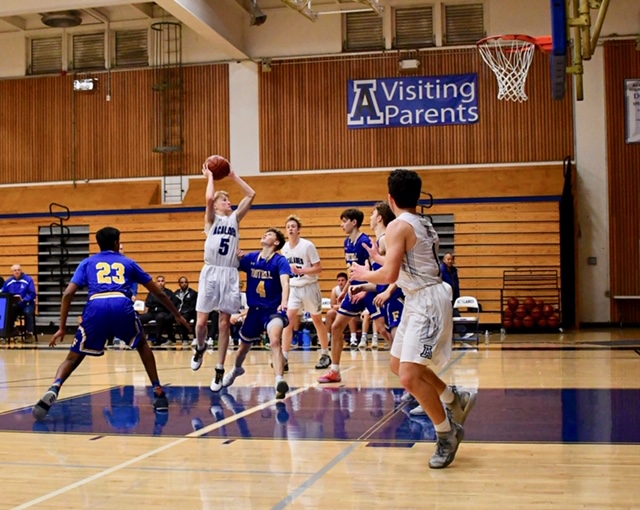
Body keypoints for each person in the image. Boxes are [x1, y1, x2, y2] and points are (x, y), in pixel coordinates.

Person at [350, 169, 476, 469]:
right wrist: (379, 259)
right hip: (419, 297)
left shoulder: (397, 226)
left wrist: (364, 273)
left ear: (389, 198)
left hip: (427, 301)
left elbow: (390, 275)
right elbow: (406, 263)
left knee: (409, 375)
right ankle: (451, 396)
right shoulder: (421, 221)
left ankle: (447, 433)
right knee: (398, 366)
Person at [32, 226, 190, 421]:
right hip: (120, 303)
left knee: (74, 356)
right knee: (141, 345)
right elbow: (158, 292)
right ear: (116, 243)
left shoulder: (88, 262)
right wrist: (177, 315)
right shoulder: (128, 262)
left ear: (98, 244)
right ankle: (158, 392)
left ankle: (55, 386)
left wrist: (62, 327)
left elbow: (67, 294)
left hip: (96, 305)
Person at [191, 157, 256, 393]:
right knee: (200, 323)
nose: (229, 202)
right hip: (210, 272)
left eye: (228, 200)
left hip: (229, 274)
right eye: (225, 200)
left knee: (224, 324)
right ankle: (199, 346)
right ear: (217, 206)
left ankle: (219, 368)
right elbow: (208, 198)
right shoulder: (211, 219)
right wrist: (210, 176)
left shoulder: (235, 219)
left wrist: (233, 176)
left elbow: (251, 194)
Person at [221, 228, 292, 399]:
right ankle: (236, 369)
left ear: (276, 243)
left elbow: (285, 283)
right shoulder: (251, 258)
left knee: (274, 341)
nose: (264, 235)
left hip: (273, 310)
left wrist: (284, 302)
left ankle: (279, 380)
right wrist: (235, 257)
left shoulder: (280, 261)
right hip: (253, 311)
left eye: (269, 234)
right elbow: (232, 266)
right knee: (242, 349)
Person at [318, 208, 383, 384]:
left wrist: (363, 289)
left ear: (354, 222)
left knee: (384, 329)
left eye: (344, 221)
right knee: (336, 326)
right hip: (354, 289)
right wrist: (346, 289)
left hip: (369, 289)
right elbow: (352, 271)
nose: (341, 224)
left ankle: (403, 370)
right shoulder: (347, 242)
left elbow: (372, 268)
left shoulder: (365, 241)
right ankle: (335, 370)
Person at [281, 215, 332, 370]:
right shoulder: (284, 248)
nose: (290, 228)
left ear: (299, 230)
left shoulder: (308, 246)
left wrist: (301, 270)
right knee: (287, 321)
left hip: (310, 286)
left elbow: (319, 268)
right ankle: (283, 358)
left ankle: (325, 354)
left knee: (317, 320)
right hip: (294, 288)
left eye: (293, 226)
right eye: (288, 226)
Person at [2, 264, 37, 339]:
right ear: (12, 272)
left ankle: (29, 333)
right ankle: (11, 331)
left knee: (28, 312)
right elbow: (3, 292)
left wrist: (24, 299)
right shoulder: (9, 281)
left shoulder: (28, 279)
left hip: (27, 304)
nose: (17, 272)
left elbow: (33, 294)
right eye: (15, 270)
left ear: (21, 271)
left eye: (18, 270)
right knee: (7, 312)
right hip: (15, 304)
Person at [139, 275, 176, 345]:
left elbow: (169, 304)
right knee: (140, 318)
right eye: (159, 281)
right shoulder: (152, 292)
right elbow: (148, 303)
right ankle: (139, 338)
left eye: (162, 281)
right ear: (156, 283)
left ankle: (157, 339)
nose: (160, 283)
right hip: (152, 312)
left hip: (163, 312)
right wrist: (158, 304)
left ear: (165, 282)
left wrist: (157, 305)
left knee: (160, 318)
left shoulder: (169, 292)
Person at [324, 272, 358, 346]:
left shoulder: (351, 288)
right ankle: (327, 337)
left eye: (342, 280)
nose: (340, 282)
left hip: (352, 310)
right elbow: (333, 305)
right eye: (338, 281)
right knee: (330, 313)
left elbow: (352, 304)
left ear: (346, 281)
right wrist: (338, 307)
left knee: (350, 314)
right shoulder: (335, 290)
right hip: (339, 311)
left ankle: (353, 338)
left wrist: (339, 306)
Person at [172, 276, 198, 342]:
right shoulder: (176, 293)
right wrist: (176, 314)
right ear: (179, 284)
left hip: (189, 313)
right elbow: (173, 304)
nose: (184, 284)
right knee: (167, 318)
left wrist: (183, 313)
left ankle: (185, 338)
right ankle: (171, 338)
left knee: (183, 318)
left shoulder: (193, 293)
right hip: (178, 313)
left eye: (185, 282)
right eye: (182, 282)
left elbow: (193, 306)